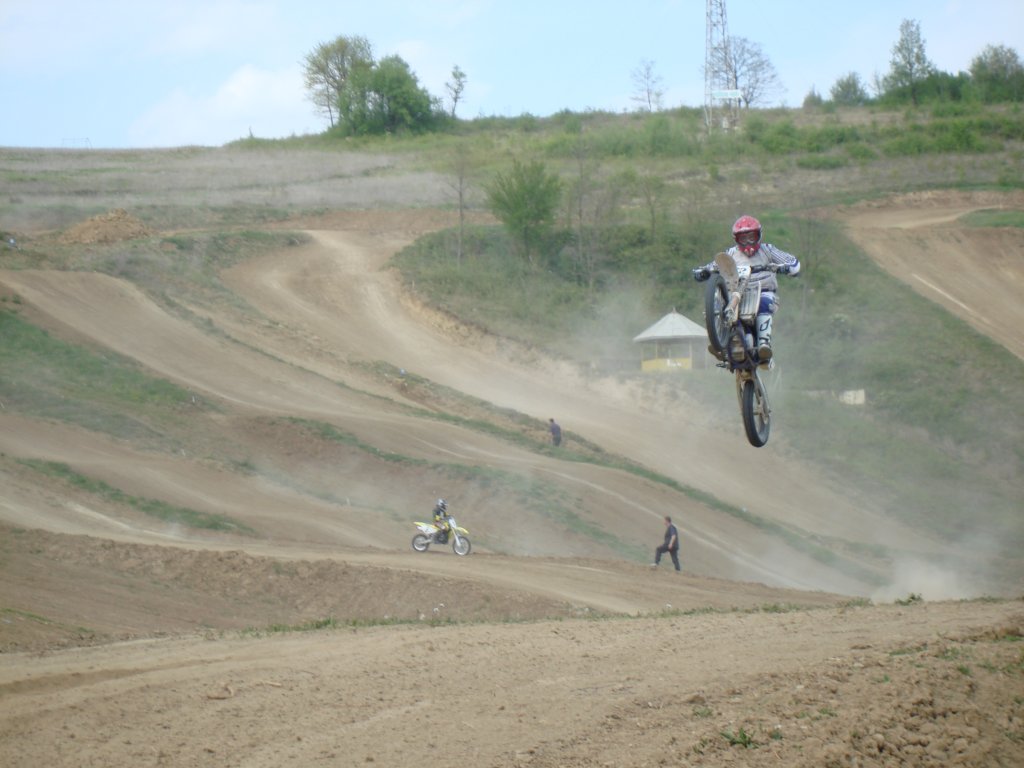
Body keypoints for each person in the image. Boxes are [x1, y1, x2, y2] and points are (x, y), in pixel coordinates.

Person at [692, 215, 800, 362]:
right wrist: (703, 271)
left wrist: (785, 267)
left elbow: (794, 263)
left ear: (759, 235)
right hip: (736, 293)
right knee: (716, 304)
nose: (748, 242)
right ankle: (718, 340)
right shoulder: (731, 253)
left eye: (751, 237)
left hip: (763, 291)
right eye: (743, 238)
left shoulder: (768, 250)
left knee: (764, 302)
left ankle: (764, 343)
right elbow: (713, 266)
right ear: (736, 239)